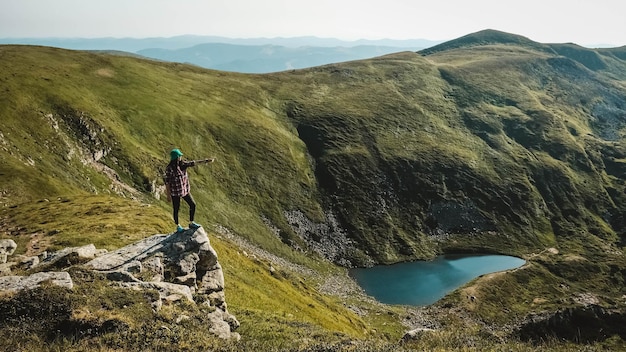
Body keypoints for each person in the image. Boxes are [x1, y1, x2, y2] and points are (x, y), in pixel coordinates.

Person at [164, 148, 215, 233]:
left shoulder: (183, 164)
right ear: (176, 157)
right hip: (175, 192)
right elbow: (167, 182)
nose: (181, 157)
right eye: (179, 156)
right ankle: (178, 226)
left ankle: (191, 222)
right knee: (176, 209)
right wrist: (168, 195)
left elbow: (194, 163)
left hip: (184, 190)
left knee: (193, 204)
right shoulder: (169, 169)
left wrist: (206, 161)